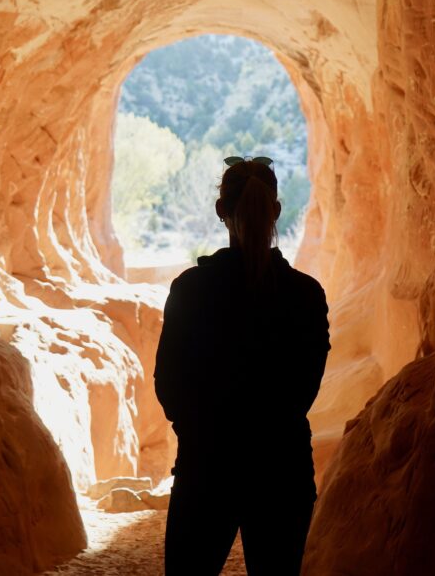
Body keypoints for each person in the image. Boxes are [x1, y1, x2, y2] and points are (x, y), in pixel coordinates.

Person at [154, 156, 331, 575]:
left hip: (206, 468)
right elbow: (305, 386)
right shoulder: (305, 295)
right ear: (277, 211)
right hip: (282, 469)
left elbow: (170, 382)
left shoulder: (191, 290)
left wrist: (200, 436)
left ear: (221, 212)